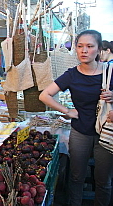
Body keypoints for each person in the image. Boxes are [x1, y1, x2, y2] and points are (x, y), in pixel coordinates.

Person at [39, 30, 113, 206]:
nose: (84, 51)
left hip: (107, 133)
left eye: (89, 46)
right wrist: (67, 111)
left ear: (99, 49)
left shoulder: (109, 72)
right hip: (80, 132)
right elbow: (45, 95)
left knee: (103, 180)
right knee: (76, 176)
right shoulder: (71, 74)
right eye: (80, 46)